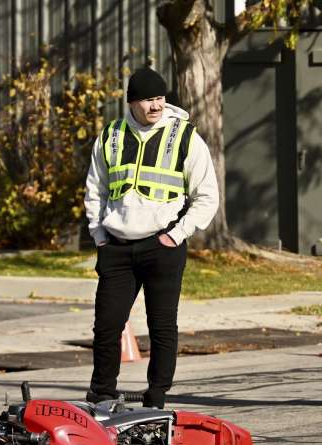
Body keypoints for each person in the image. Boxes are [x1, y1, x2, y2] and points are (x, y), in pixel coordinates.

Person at [82, 66, 219, 409]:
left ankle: (156, 396)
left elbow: (207, 197)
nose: (156, 106)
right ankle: (102, 395)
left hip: (162, 246)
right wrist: (99, 233)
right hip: (116, 247)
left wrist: (178, 234)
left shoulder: (185, 137)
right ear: (132, 103)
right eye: (147, 100)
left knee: (162, 326)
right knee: (107, 325)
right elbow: (95, 189)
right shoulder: (111, 136)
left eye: (160, 98)